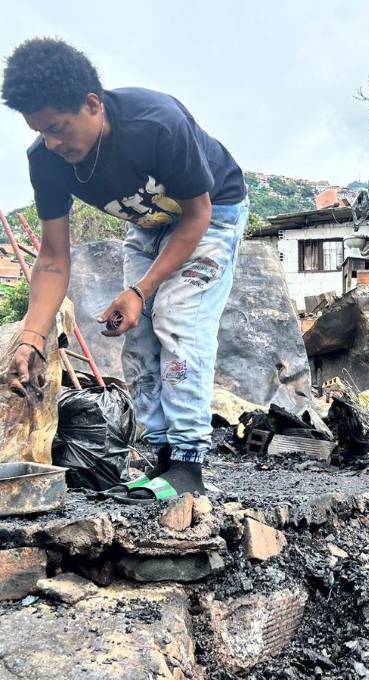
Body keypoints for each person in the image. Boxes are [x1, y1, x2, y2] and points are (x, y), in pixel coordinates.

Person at [1, 38, 248, 502]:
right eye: (41, 131)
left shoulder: (156, 124)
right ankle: (161, 459)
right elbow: (53, 257)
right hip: (149, 227)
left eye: (59, 127)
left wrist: (141, 288)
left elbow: (197, 215)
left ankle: (189, 467)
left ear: (93, 104)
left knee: (178, 319)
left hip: (212, 213)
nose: (52, 142)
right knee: (137, 338)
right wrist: (32, 336)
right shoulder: (46, 160)